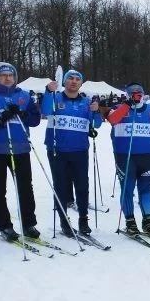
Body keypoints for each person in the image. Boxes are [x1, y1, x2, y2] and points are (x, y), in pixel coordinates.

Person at [41, 69, 101, 236]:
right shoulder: (55, 98)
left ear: (81, 83)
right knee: (60, 186)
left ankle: (83, 219)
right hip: (57, 150)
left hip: (80, 151)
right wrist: (48, 92)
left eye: (77, 79)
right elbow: (45, 111)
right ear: (65, 82)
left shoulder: (86, 102)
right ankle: (64, 220)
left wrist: (96, 111)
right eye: (70, 79)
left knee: (82, 186)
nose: (74, 81)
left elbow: (96, 124)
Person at [108, 81, 150, 235]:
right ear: (127, 94)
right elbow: (113, 120)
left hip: (147, 156)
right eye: (133, 92)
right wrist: (127, 105)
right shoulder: (119, 108)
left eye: (139, 92)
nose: (137, 95)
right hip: (125, 156)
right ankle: (130, 221)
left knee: (145, 189)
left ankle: (147, 220)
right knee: (127, 188)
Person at [0, 62, 42, 241]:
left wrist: (23, 115)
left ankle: (28, 223)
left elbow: (35, 119)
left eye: (11, 75)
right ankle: (4, 225)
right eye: (3, 75)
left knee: (25, 187)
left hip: (20, 148)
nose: (8, 78)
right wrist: (2, 118)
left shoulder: (23, 95)